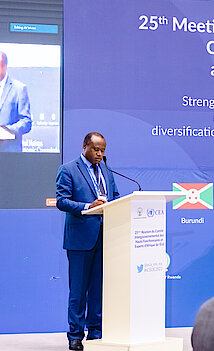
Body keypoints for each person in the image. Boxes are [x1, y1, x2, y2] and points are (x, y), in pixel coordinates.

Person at [56, 132, 120, 351]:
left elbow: (115, 195)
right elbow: (62, 201)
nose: (99, 154)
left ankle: (96, 333)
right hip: (80, 239)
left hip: (105, 236)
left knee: (98, 289)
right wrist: (87, 207)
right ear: (85, 146)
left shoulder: (106, 170)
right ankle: (75, 335)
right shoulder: (68, 169)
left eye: (102, 150)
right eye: (96, 149)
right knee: (78, 290)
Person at [0, 51, 31, 152]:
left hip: (9, 152)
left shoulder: (19, 89)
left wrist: (6, 131)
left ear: (4, 66)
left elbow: (26, 122)